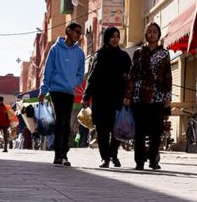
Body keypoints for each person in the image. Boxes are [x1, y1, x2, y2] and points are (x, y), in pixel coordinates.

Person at [125, 22, 172, 170]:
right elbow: (132, 75)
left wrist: (167, 96)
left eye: (154, 32)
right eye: (149, 32)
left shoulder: (164, 53)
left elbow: (167, 76)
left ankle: (153, 159)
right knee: (139, 131)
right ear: (145, 34)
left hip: (157, 97)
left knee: (156, 131)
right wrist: (128, 94)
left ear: (158, 35)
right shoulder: (139, 52)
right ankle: (139, 161)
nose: (151, 34)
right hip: (139, 96)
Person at [83, 25, 131, 168]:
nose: (115, 39)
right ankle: (105, 158)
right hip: (101, 99)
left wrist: (128, 95)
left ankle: (113, 154)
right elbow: (92, 78)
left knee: (117, 129)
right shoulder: (99, 56)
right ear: (107, 38)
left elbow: (130, 78)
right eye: (112, 36)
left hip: (118, 98)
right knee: (102, 130)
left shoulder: (124, 57)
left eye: (117, 36)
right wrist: (86, 97)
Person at [40, 22, 85, 166]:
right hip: (56, 90)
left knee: (66, 123)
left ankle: (64, 154)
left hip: (69, 91)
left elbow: (80, 73)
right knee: (60, 120)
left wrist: (73, 82)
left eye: (80, 33)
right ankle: (58, 154)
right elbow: (48, 71)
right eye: (76, 32)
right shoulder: (55, 49)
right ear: (68, 31)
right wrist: (43, 90)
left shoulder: (79, 53)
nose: (78, 35)